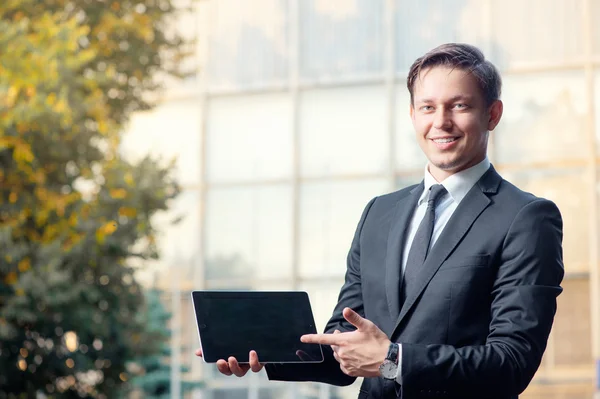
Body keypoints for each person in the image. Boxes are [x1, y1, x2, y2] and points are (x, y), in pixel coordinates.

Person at [195, 43, 564, 399]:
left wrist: (393, 361)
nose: (441, 122)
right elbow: (346, 350)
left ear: (492, 114)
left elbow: (513, 362)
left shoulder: (526, 218)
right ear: (412, 115)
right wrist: (262, 351)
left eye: (459, 106)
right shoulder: (379, 213)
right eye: (427, 107)